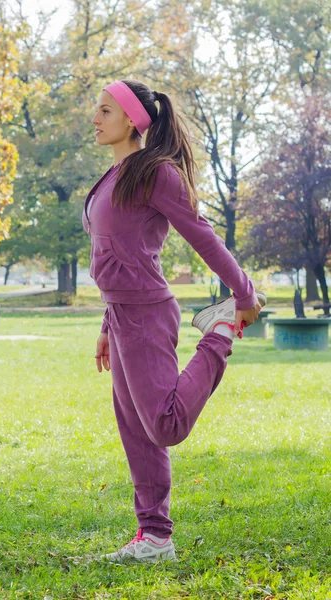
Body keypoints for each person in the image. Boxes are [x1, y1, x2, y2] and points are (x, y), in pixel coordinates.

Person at [82, 79, 266, 564]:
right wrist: (106, 325)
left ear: (131, 120)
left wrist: (242, 295)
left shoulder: (154, 173)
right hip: (123, 313)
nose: (95, 119)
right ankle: (154, 537)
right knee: (136, 431)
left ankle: (220, 331)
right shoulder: (112, 176)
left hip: (146, 311)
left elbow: (200, 235)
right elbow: (115, 253)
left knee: (163, 424)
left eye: (104, 111)